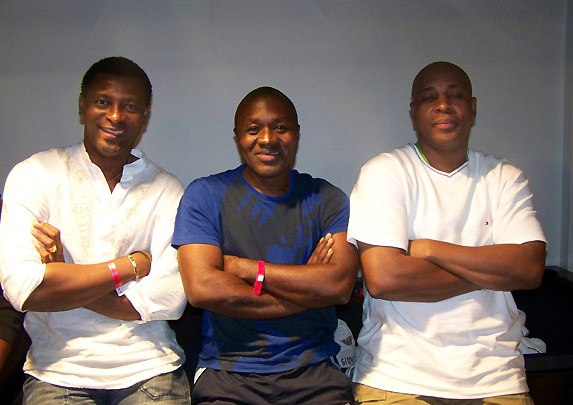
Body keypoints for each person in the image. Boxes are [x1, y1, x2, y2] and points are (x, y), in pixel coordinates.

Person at [348, 61, 547, 404]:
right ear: (414, 112)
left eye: (455, 95)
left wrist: (430, 248)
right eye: (430, 97)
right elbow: (384, 278)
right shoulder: (385, 172)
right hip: (397, 377)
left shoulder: (504, 177)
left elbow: (528, 269)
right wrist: (492, 273)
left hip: (497, 376)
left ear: (473, 108)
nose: (444, 105)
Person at [0, 57, 190, 403]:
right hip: (57, 371)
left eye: (129, 106)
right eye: (103, 101)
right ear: (82, 106)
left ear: (145, 115)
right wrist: (130, 266)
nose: (115, 116)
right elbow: (22, 289)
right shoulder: (34, 175)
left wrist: (63, 279)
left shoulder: (168, 191)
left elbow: (170, 300)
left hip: (149, 365)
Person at [172, 86, 359, 404]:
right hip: (227, 373)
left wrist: (246, 269)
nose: (268, 139)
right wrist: (306, 293)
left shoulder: (327, 199)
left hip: (314, 370)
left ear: (296, 134)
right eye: (253, 129)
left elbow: (339, 287)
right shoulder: (205, 195)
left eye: (281, 127)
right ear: (238, 137)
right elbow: (203, 289)